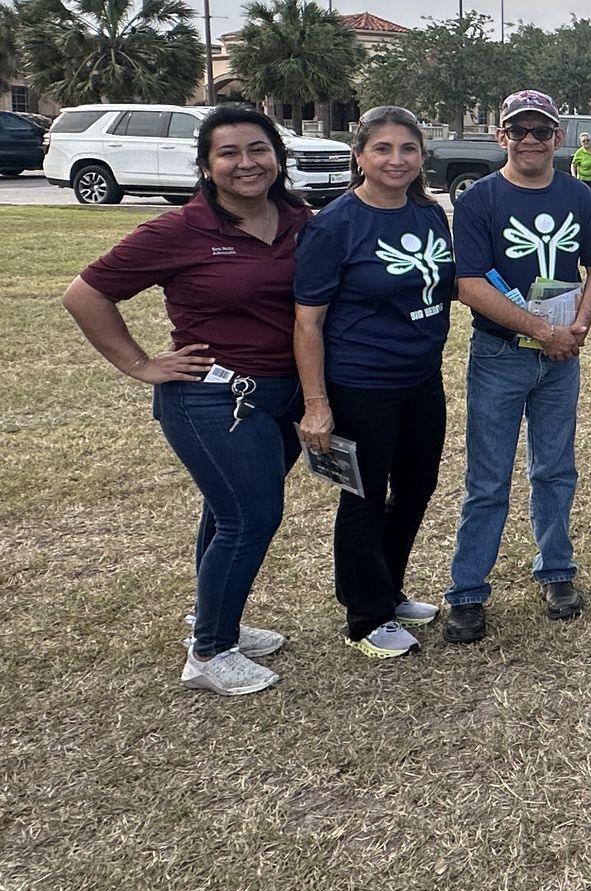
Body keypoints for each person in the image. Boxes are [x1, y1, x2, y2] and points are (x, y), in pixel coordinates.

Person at [61, 106, 311, 695]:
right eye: (229, 153)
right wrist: (141, 364)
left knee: (225, 513)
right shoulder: (178, 230)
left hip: (285, 397)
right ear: (205, 165)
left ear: (277, 156)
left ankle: (212, 619)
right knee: (250, 518)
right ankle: (209, 653)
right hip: (213, 399)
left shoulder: (300, 220)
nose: (246, 163)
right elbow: (85, 294)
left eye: (258, 149)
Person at [443, 89, 591, 644]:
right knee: (488, 479)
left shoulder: (578, 195)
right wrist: (543, 331)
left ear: (557, 138)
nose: (530, 141)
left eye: (541, 131)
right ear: (503, 138)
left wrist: (577, 330)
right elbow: (468, 284)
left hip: (563, 356)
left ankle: (557, 572)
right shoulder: (479, 201)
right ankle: (467, 592)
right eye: (519, 131)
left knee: (556, 469)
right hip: (500, 353)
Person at [292, 105, 454, 660]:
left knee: (416, 488)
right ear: (359, 156)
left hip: (421, 378)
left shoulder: (429, 215)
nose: (396, 159)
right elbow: (308, 321)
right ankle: (365, 617)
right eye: (382, 148)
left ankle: (389, 588)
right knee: (363, 498)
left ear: (421, 158)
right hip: (361, 384)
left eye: (408, 149)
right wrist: (317, 405)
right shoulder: (334, 225)